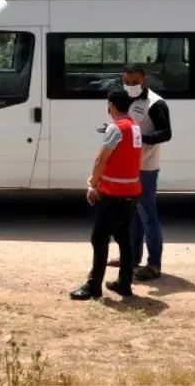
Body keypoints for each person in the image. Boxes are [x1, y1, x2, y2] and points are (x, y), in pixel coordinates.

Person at [70, 89, 143, 301]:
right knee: (123, 238)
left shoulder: (116, 128)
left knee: (99, 238)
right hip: (131, 192)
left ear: (110, 105)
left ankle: (93, 285)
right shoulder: (135, 127)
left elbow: (101, 159)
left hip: (114, 194)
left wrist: (92, 184)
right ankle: (124, 283)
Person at [108, 64, 172, 281]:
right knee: (131, 215)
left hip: (146, 167)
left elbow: (165, 133)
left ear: (144, 79)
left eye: (135, 82)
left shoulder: (155, 103)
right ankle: (132, 258)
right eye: (127, 81)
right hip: (129, 167)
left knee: (148, 216)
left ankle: (154, 265)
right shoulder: (125, 100)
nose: (131, 85)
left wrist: (139, 138)